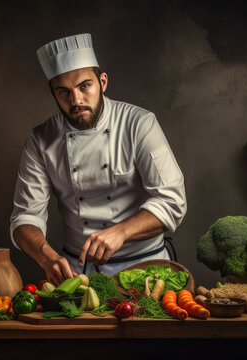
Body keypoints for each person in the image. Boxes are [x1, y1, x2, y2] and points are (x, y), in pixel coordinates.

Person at [10, 33, 186, 285]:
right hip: (76, 273)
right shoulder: (41, 140)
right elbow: (24, 218)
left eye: (84, 86)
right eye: (64, 92)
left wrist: (122, 232)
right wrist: (48, 258)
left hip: (146, 269)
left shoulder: (139, 124)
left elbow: (173, 201)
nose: (76, 100)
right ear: (53, 93)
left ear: (102, 82)